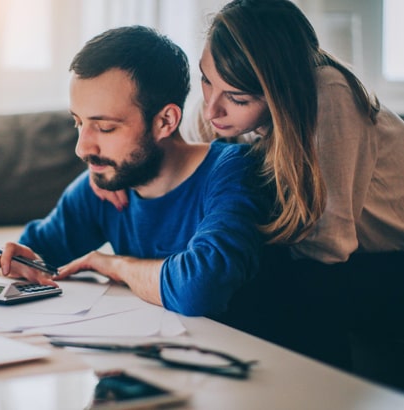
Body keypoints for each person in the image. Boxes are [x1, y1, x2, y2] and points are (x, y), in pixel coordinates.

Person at [93, 0, 404, 386]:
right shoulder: (219, 105)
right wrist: (111, 165)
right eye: (207, 80)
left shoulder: (329, 94)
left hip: (385, 259)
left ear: (281, 92)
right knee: (217, 267)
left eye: (238, 99)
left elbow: (330, 244)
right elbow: (173, 153)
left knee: (245, 278)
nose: (211, 110)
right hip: (326, 257)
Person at [0, 25, 270, 322]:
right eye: (78, 122)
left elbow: (200, 289)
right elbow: (38, 252)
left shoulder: (234, 171)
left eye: (105, 128)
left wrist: (113, 265)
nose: (82, 148)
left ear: (165, 121)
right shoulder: (106, 183)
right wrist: (17, 259)